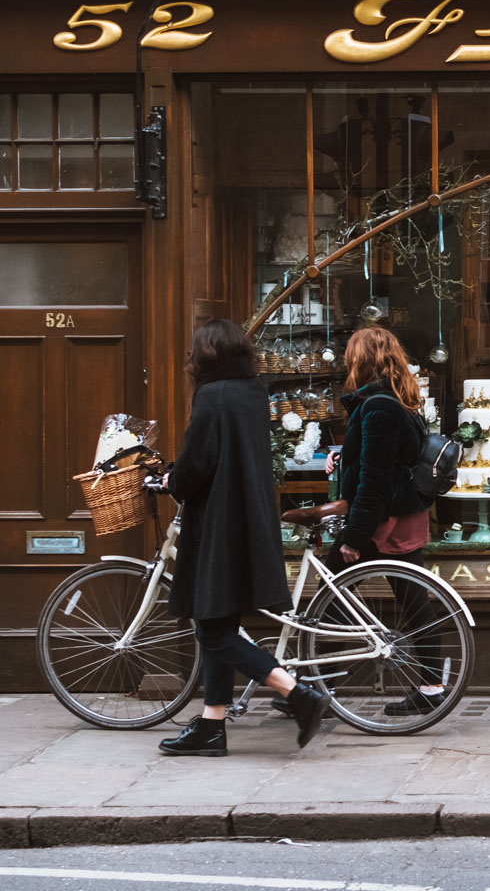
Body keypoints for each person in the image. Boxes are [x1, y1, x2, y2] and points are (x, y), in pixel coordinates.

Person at [158, 319, 331, 756]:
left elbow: (198, 462)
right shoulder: (253, 390)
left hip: (219, 523)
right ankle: (211, 725)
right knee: (219, 621)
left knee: (212, 627)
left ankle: (296, 692)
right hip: (248, 518)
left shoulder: (212, 394)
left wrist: (172, 479)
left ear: (206, 354)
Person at [329, 327, 445, 717]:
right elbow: (388, 459)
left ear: (362, 361)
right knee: (414, 601)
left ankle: (316, 690)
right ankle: (431, 687)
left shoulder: (378, 407)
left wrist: (355, 536)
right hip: (402, 518)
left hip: (382, 523)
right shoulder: (396, 401)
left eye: (350, 355)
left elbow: (376, 478)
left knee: (331, 597)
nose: (346, 361)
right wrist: (343, 457)